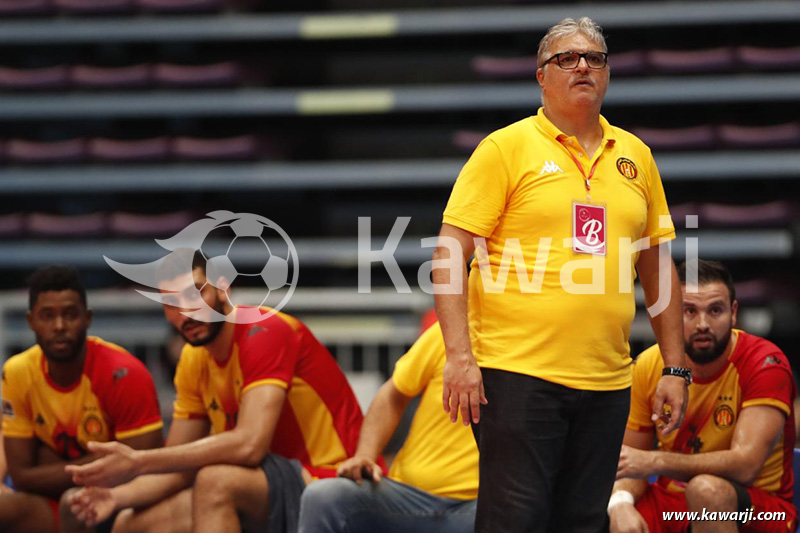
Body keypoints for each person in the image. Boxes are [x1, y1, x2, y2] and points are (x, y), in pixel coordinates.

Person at [431, 16, 690, 533]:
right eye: (566, 58)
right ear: (541, 76)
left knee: (584, 522)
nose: (583, 67)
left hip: (607, 379)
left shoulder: (635, 156)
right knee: (517, 522)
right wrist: (459, 356)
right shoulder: (505, 148)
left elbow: (657, 266)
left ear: (608, 73)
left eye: (594, 58)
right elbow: (449, 254)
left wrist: (675, 367)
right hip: (517, 375)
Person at [66, 250, 365, 533]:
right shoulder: (193, 359)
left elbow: (250, 445)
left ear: (222, 289)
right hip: (265, 485)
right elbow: (178, 466)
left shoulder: (262, 330)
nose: (186, 312)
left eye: (195, 293)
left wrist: (139, 461)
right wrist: (116, 497)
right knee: (131, 524)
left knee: (215, 481)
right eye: (171, 304)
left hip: (334, 478)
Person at [609, 260, 797, 533]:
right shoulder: (648, 365)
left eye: (715, 310)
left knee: (706, 491)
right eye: (689, 311)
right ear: (671, 314)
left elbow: (746, 466)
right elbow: (630, 465)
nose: (703, 324)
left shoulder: (765, 363)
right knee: (597, 509)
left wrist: (654, 461)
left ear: (733, 313)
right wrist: (620, 503)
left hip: (761, 510)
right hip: (674, 504)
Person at [0, 265, 164, 533]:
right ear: (31, 321)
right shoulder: (17, 372)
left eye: (70, 315)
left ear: (87, 318)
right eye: (47, 316)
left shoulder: (124, 373)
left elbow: (139, 466)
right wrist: (96, 462)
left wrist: (47, 462)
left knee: (74, 502)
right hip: (49, 503)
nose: (59, 326)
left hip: (122, 503)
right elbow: (21, 477)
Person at [298, 320, 479, 532]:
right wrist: (365, 455)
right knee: (323, 496)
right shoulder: (453, 332)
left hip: (481, 506)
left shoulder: (516, 348)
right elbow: (393, 395)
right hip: (406, 494)